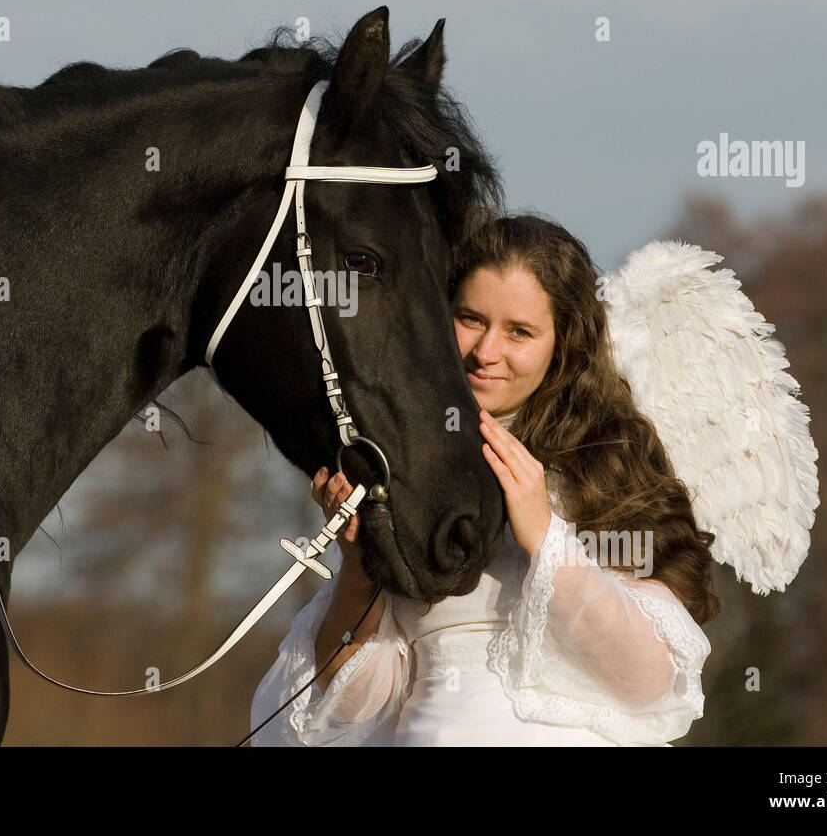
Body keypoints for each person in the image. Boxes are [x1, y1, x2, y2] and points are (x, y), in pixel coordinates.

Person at [249, 211, 721, 746]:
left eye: (520, 331)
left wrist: (544, 537)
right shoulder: (393, 464)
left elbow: (647, 681)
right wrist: (360, 568)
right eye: (471, 319)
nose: (486, 352)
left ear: (562, 345)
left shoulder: (609, 465)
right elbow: (353, 711)